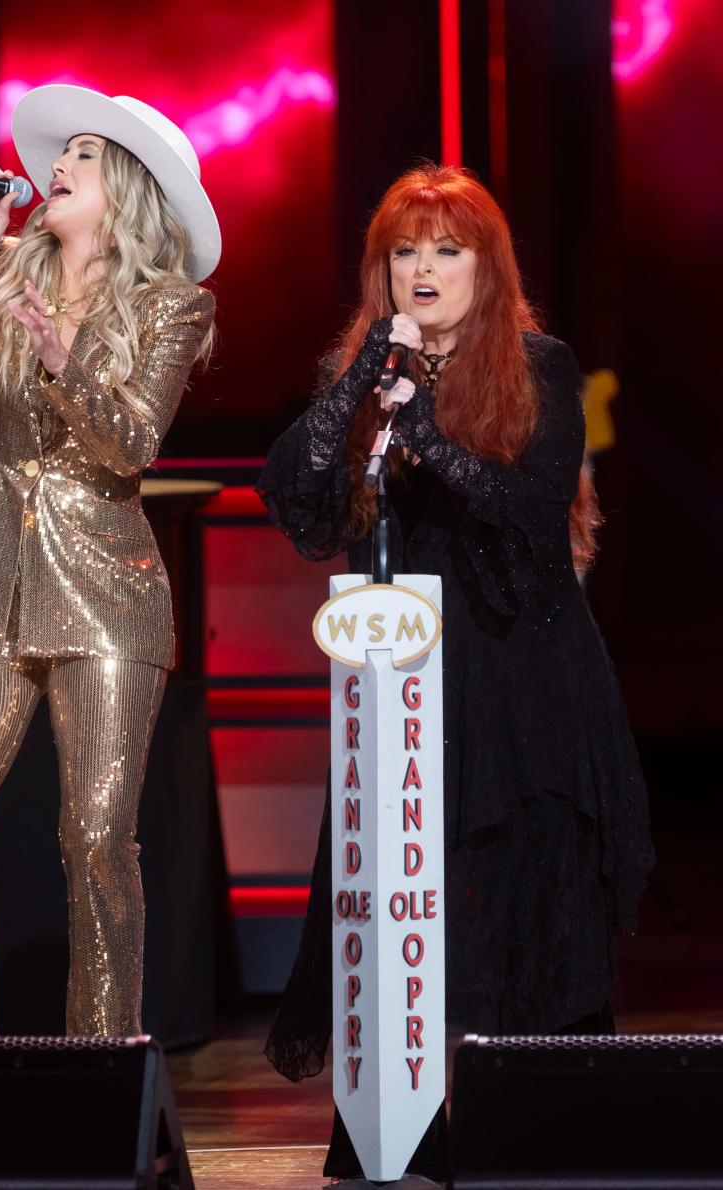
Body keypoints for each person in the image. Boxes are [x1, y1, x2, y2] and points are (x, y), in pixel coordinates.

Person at [257, 164, 653, 1181]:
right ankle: (406, 1134)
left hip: (522, 683)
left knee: (515, 898)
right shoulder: (366, 371)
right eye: (404, 250)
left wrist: (427, 432)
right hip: (399, 690)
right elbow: (295, 498)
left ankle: (539, 1132)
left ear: (487, 265)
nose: (423, 269)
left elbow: (528, 511)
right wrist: (364, 384)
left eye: (446, 249)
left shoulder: (539, 364)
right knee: (396, 908)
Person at [0, 86, 219, 1037]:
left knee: (98, 838)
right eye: (59, 152)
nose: (57, 167)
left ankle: (107, 1072)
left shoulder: (171, 307)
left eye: (84, 154)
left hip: (108, 589)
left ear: (129, 189)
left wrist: (68, 361)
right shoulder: (9, 274)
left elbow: (134, 449)